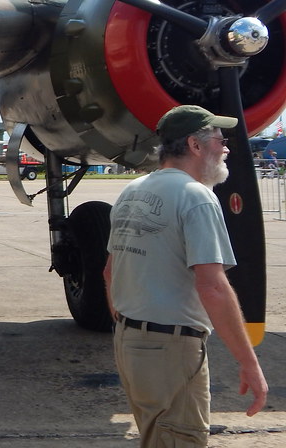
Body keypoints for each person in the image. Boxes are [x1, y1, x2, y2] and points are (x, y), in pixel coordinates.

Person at [103, 104, 268, 446]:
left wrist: (134, 328)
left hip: (130, 343)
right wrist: (249, 363)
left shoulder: (132, 191)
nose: (226, 148)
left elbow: (109, 272)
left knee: (156, 437)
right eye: (220, 140)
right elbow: (213, 288)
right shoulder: (197, 197)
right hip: (171, 351)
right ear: (195, 145)